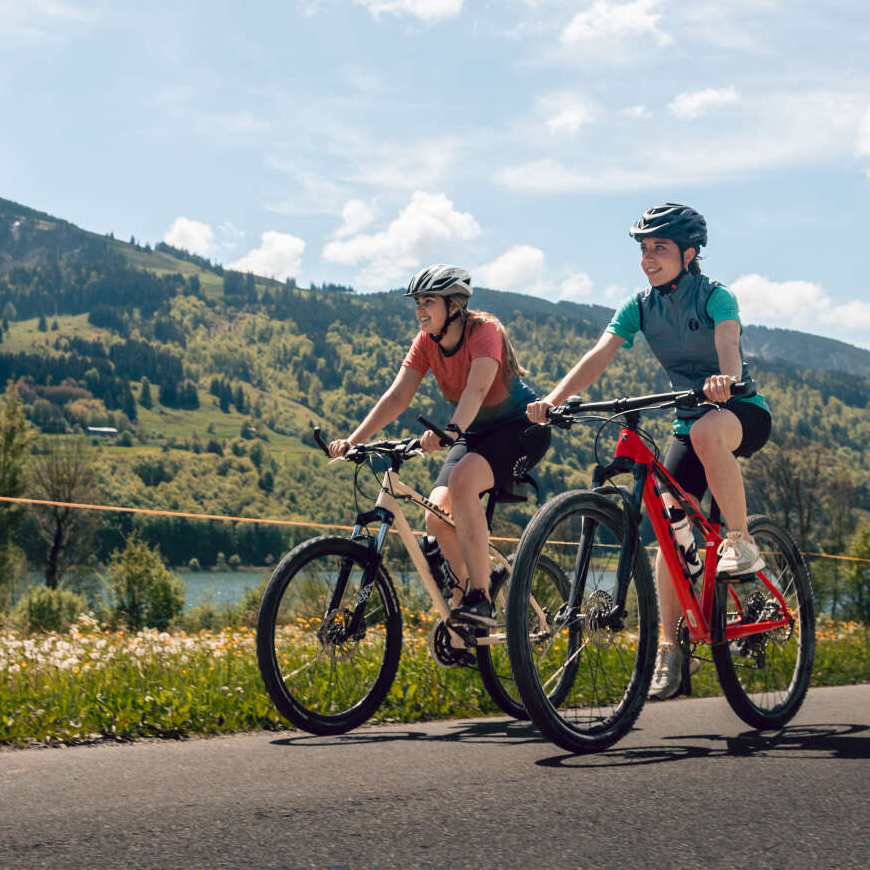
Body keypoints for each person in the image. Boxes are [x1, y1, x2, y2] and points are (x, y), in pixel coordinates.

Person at [525, 203, 772, 699]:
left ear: (689, 252)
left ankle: (741, 539)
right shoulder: (638, 305)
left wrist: (726, 378)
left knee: (706, 435)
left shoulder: (716, 296)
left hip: (737, 412)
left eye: (659, 248)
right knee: (668, 526)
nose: (648, 258)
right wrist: (552, 400)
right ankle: (671, 649)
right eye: (643, 249)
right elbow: (600, 353)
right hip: (689, 419)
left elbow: (729, 344)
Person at [329, 264, 549, 628]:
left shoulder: (484, 331)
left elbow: (477, 389)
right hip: (474, 432)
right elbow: (398, 395)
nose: (420, 310)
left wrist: (449, 431)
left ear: (455, 305)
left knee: (461, 482)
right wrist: (354, 440)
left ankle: (481, 597)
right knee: (435, 514)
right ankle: (466, 610)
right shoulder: (426, 343)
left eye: (428, 301)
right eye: (417, 302)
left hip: (521, 428)